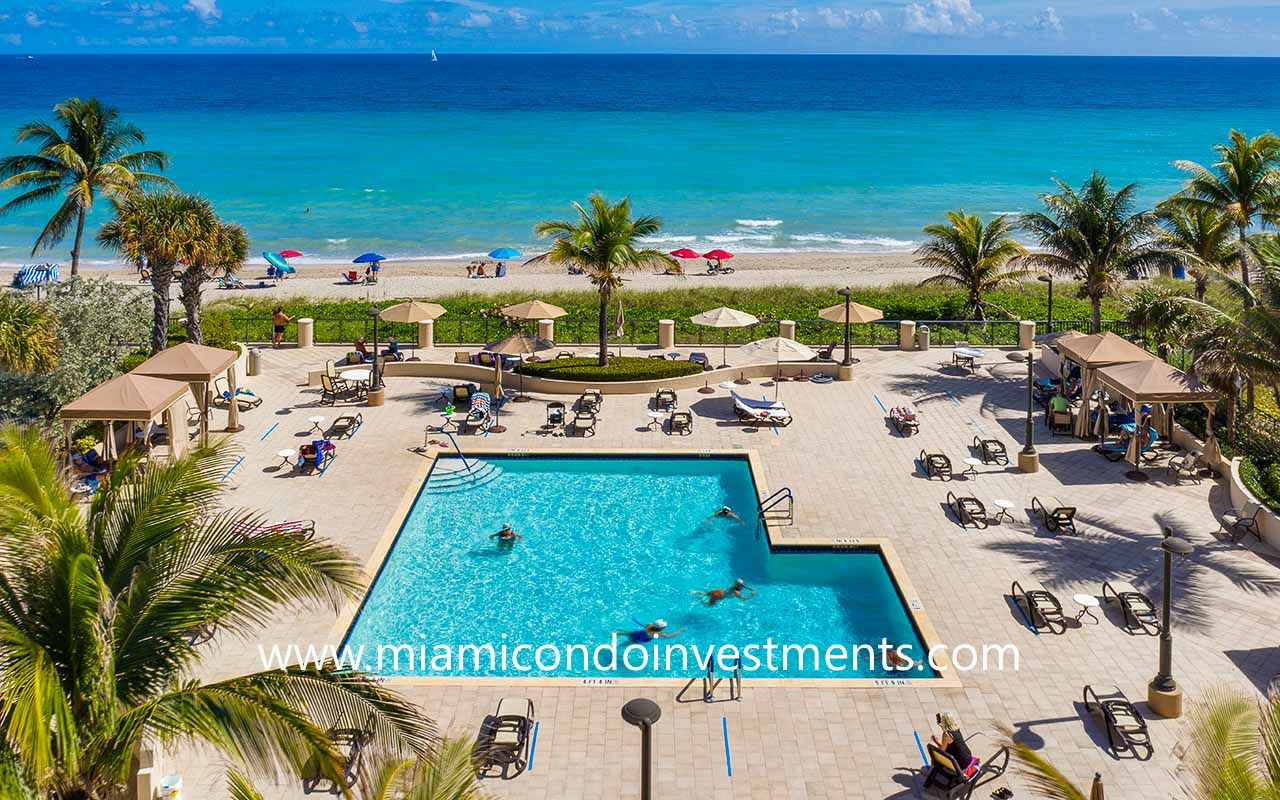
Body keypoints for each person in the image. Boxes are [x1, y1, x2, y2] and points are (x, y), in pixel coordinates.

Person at [616, 619, 684, 644]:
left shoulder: (649, 625)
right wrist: (680, 631)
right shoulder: (659, 633)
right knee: (627, 644)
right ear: (662, 628)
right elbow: (670, 636)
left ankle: (616, 633)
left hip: (637, 633)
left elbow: (646, 624)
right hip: (642, 639)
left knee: (627, 633)